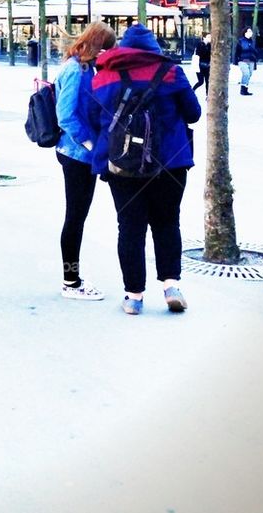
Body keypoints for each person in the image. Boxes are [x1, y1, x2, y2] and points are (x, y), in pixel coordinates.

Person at [91, 23, 201, 316]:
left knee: (130, 228)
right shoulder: (171, 72)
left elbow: (94, 119)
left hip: (122, 164)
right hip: (171, 163)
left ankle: (133, 296)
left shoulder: (103, 77)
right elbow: (194, 114)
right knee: (167, 223)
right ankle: (170, 286)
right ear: (153, 47)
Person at [53, 22, 117, 301]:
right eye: (106, 48)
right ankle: (70, 281)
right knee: (75, 218)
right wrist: (89, 143)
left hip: (80, 153)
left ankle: (72, 277)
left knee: (77, 217)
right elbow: (65, 114)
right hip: (76, 153)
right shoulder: (76, 70)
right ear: (96, 46)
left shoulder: (84, 67)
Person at [234, 27, 258, 95]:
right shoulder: (241, 41)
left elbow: (254, 51)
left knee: (249, 74)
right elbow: (237, 51)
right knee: (246, 74)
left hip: (251, 60)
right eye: (249, 31)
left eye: (251, 31)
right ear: (245, 33)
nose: (251, 33)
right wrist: (236, 61)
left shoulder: (252, 41)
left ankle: (245, 89)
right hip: (243, 60)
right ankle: (243, 89)